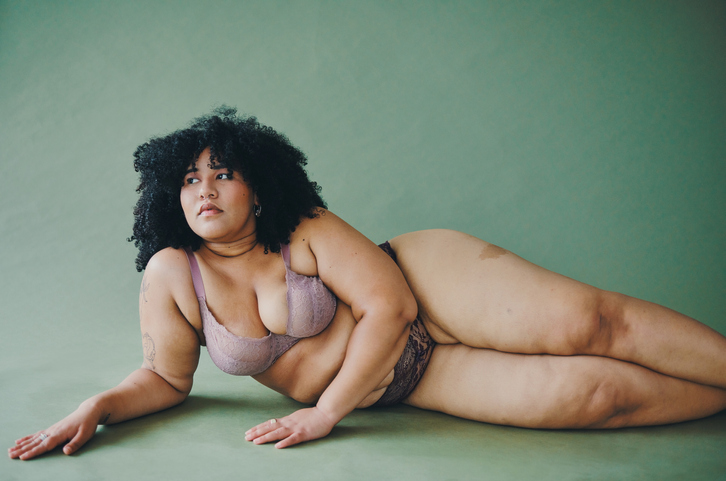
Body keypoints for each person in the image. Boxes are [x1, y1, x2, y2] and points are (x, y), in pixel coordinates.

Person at [9, 108, 726, 461]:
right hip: (412, 376)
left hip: (429, 285)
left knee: (591, 326)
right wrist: (99, 404)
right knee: (597, 398)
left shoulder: (305, 227)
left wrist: (326, 412)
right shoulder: (175, 273)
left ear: (257, 189)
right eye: (190, 178)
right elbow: (167, 378)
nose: (205, 188)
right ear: (171, 196)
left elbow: (394, 305)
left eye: (223, 172)